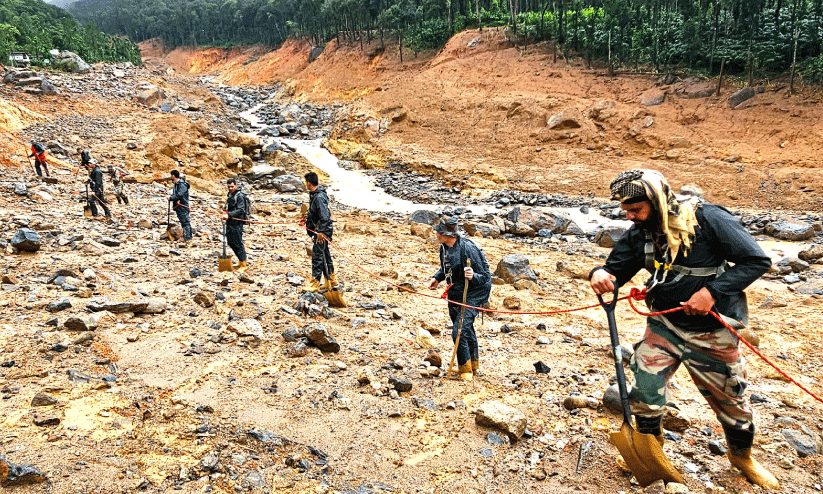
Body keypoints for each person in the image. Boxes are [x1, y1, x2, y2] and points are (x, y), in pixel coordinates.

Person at [589, 169, 777, 489]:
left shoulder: (709, 220)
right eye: (626, 211)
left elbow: (756, 261)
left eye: (636, 209)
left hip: (712, 333)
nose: (630, 217)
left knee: (735, 405)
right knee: (644, 392)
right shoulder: (641, 232)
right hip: (664, 326)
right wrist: (601, 273)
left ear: (657, 201)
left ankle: (741, 457)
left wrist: (712, 292)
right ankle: (650, 453)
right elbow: (615, 268)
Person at [427, 217, 492, 381]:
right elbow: (446, 268)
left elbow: (485, 277)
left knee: (459, 332)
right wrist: (437, 278)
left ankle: (466, 371)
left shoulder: (468, 249)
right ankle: (471, 365)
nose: (436, 233)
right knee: (466, 329)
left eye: (439, 232)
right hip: (455, 291)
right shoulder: (444, 247)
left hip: (473, 293)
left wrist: (473, 276)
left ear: (448, 234)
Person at [301, 172, 335, 292]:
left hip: (321, 232)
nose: (305, 184)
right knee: (325, 255)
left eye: (306, 182)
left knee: (317, 256)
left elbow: (324, 216)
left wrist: (321, 231)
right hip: (321, 230)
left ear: (309, 183)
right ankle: (330, 280)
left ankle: (315, 283)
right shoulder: (316, 195)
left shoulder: (319, 197)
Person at [222, 178, 248, 272]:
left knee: (238, 243)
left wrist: (229, 215)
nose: (230, 188)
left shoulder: (240, 196)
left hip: (237, 223)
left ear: (236, 186)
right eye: (229, 187)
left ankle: (243, 263)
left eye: (232, 186)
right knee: (230, 242)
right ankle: (240, 260)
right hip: (230, 222)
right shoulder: (230, 195)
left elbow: (241, 210)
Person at [169, 170, 192, 247]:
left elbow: (179, 195)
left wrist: (171, 198)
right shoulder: (177, 184)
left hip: (182, 206)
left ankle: (188, 239)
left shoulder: (182, 184)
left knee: (185, 222)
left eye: (171, 175)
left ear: (173, 175)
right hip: (179, 207)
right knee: (183, 222)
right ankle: (186, 238)